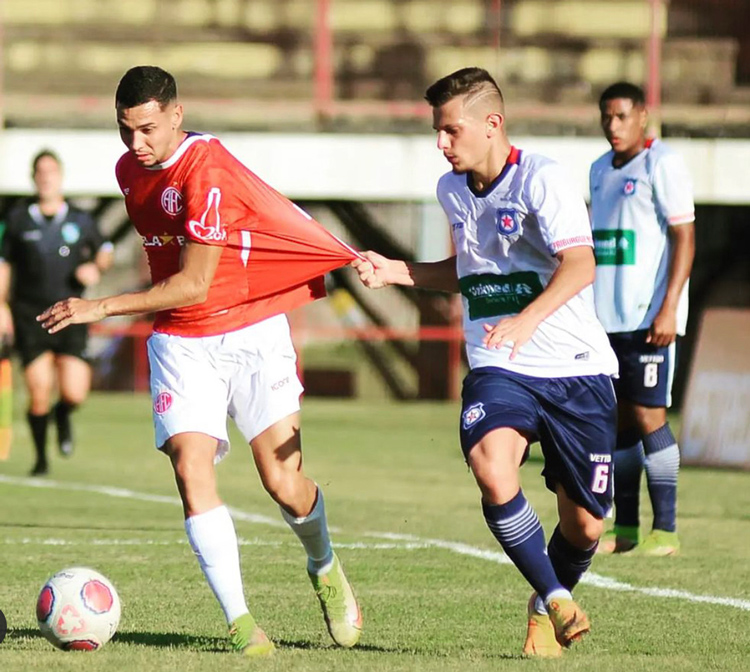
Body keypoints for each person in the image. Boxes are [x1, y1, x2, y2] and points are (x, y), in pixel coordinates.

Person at [38, 65, 363, 656]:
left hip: (252, 332)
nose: (136, 143)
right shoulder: (127, 170)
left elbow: (194, 283)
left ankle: (323, 563)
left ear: (176, 116)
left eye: (148, 128)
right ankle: (242, 625)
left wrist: (100, 306)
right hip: (183, 344)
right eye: (125, 129)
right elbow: (176, 290)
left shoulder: (207, 171)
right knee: (192, 470)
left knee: (283, 484)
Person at [352, 67, 618, 658]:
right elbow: (471, 272)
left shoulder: (541, 180)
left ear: (492, 124)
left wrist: (528, 320)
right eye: (437, 132)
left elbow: (581, 264)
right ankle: (554, 597)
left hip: (576, 368)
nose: (441, 144)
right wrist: (400, 271)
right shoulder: (452, 191)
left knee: (586, 527)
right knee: (491, 465)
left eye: (451, 131)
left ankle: (547, 601)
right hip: (499, 363)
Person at [590, 82, 695, 557]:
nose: (614, 126)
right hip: (604, 320)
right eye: (607, 117)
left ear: (643, 117)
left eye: (622, 116)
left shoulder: (662, 163)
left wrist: (670, 306)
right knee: (618, 425)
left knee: (651, 416)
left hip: (649, 318)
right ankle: (628, 528)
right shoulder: (597, 170)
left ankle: (667, 530)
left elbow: (684, 237)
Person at [0, 150, 113, 476]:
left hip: (72, 311)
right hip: (29, 314)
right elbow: (4, 265)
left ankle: (63, 414)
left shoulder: (80, 219)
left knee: (74, 391)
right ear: (34, 177)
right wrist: (3, 307)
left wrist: (95, 267)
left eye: (51, 172)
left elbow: (105, 250)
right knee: (38, 390)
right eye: (41, 172)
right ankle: (40, 460)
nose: (46, 178)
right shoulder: (18, 219)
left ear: (60, 177)